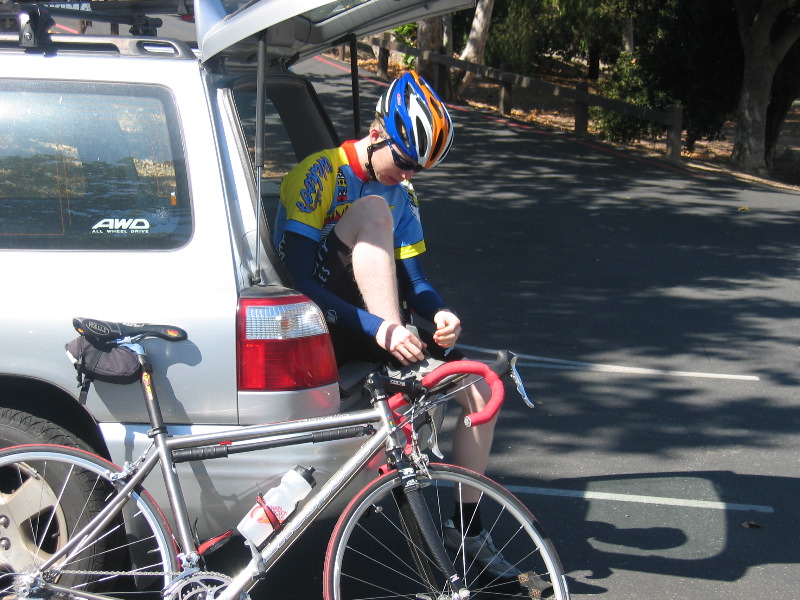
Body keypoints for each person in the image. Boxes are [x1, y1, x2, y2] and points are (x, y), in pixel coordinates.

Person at [274, 71, 517, 578]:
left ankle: (466, 531)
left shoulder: (402, 193)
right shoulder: (321, 172)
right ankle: (396, 354)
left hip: (371, 324)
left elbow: (416, 281)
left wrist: (440, 313)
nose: (407, 175)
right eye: (404, 161)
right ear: (379, 131)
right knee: (373, 210)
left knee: (476, 392)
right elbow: (298, 280)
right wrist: (381, 329)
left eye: (418, 169)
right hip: (315, 317)